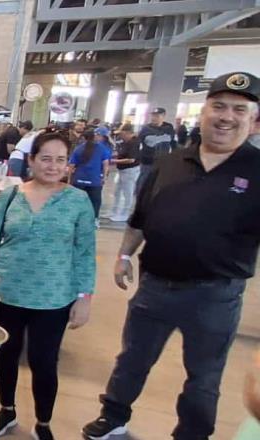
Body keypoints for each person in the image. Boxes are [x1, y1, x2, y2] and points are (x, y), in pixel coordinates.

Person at [82, 71, 260, 440]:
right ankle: (114, 416)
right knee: (132, 359)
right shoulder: (170, 162)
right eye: (219, 106)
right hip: (155, 287)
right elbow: (140, 219)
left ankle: (192, 435)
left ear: (254, 120)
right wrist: (124, 257)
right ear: (204, 111)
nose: (226, 116)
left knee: (204, 376)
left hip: (215, 295)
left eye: (239, 109)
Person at [0, 131, 96, 440]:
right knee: (6, 353)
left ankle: (43, 423)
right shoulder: (11, 196)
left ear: (67, 165)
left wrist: (84, 297)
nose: (53, 166)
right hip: (8, 290)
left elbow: (85, 252)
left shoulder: (78, 201)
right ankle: (6, 409)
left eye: (60, 160)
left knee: (44, 362)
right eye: (45, 158)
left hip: (54, 296)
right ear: (31, 160)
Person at [68, 127, 111, 221]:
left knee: (76, 201)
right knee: (95, 202)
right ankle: (94, 220)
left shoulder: (78, 148)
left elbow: (71, 165)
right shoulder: (102, 148)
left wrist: (69, 179)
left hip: (79, 180)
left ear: (84, 138)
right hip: (94, 180)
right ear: (94, 136)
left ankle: (75, 219)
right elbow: (105, 164)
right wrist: (104, 177)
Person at [136, 107, 177, 194]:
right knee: (143, 181)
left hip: (162, 161)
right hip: (148, 161)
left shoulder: (169, 128)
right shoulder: (146, 128)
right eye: (153, 116)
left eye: (157, 116)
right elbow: (141, 143)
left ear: (163, 116)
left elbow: (173, 143)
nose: (154, 118)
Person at [109, 124, 141, 222]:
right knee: (117, 191)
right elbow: (121, 153)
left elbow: (131, 159)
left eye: (122, 134)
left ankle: (125, 214)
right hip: (122, 171)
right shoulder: (126, 142)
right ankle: (115, 211)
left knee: (128, 192)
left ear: (128, 133)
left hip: (130, 171)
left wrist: (114, 161)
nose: (120, 136)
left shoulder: (134, 143)